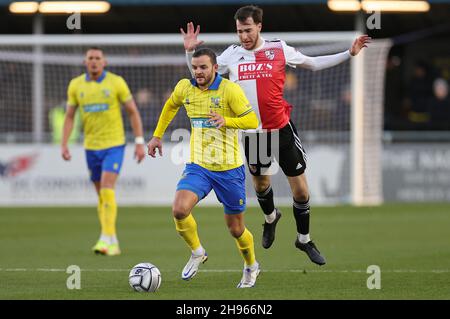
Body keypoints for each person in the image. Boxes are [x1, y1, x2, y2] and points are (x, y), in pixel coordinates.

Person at [181, 5, 371, 266]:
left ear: (259, 26)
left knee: (301, 191)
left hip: (280, 128)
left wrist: (349, 53)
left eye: (248, 30)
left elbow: (312, 64)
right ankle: (271, 218)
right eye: (239, 31)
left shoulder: (279, 48)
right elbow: (199, 76)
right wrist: (190, 50)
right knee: (261, 185)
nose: (244, 36)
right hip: (254, 133)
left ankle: (304, 239)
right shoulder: (232, 55)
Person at [147, 48, 260, 288]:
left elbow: (252, 121)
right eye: (195, 67)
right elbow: (170, 105)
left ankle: (251, 266)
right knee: (179, 209)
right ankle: (197, 252)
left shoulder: (230, 90)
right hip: (199, 165)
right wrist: (157, 136)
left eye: (203, 67)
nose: (198, 71)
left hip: (229, 169)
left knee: (236, 229)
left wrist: (226, 120)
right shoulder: (185, 88)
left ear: (215, 68)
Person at [61, 47, 146, 256]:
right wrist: (64, 143)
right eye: (90, 58)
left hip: (114, 144)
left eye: (98, 58)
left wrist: (138, 141)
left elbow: (133, 112)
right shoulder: (76, 85)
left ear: (104, 62)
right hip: (91, 147)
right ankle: (113, 240)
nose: (94, 62)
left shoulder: (116, 82)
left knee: (108, 187)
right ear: (85, 62)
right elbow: (70, 116)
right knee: (101, 195)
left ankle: (104, 238)